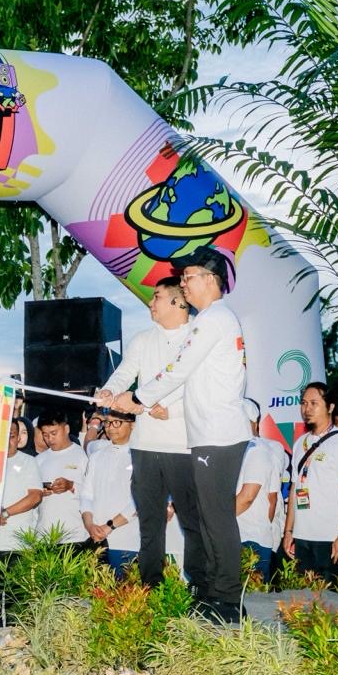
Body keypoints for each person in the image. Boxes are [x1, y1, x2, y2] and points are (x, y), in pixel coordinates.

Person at [112, 246, 252, 622]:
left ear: (210, 279)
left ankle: (225, 601)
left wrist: (137, 398)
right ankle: (214, 596)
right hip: (210, 435)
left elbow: (179, 370)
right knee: (209, 519)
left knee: (216, 519)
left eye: (188, 277)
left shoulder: (213, 319)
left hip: (218, 435)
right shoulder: (214, 319)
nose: (184, 284)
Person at [96, 276, 195, 587]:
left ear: (178, 301)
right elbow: (124, 374)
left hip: (184, 446)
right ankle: (151, 589)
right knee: (150, 524)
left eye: (156, 297)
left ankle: (200, 587)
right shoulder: (142, 339)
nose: (150, 303)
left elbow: (201, 386)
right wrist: (109, 391)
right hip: (145, 447)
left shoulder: (198, 336)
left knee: (192, 522)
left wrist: (172, 410)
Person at [283, 383, 338, 584]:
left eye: (314, 403)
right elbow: (294, 489)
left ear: (330, 407)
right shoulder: (300, 443)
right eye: (304, 403)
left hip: (331, 539)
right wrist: (288, 532)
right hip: (302, 537)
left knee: (331, 599)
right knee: (303, 598)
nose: (306, 409)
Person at [0, 425, 42, 641]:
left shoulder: (28, 462)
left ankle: (16, 642)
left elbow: (35, 496)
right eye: (2, 436)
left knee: (17, 597)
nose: (7, 441)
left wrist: (4, 513)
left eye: (12, 436)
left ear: (18, 439)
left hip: (19, 542)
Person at [78, 412, 140, 577]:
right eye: (107, 422)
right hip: (95, 540)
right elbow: (86, 495)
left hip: (128, 541)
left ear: (132, 424)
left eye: (116, 422)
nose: (110, 428)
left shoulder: (141, 456)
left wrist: (109, 526)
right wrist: (90, 525)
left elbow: (139, 501)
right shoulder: (97, 456)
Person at [235, 401, 284, 578]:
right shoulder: (236, 450)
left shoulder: (257, 450)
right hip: (237, 536)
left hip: (251, 539)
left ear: (254, 423)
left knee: (252, 592)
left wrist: (217, 523)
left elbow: (250, 497)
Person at [33, 411, 89, 547]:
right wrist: (40, 493)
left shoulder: (82, 456)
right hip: (44, 536)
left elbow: (92, 494)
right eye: (45, 435)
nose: (50, 439)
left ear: (67, 429)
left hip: (74, 535)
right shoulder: (38, 460)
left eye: (54, 433)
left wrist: (71, 485)